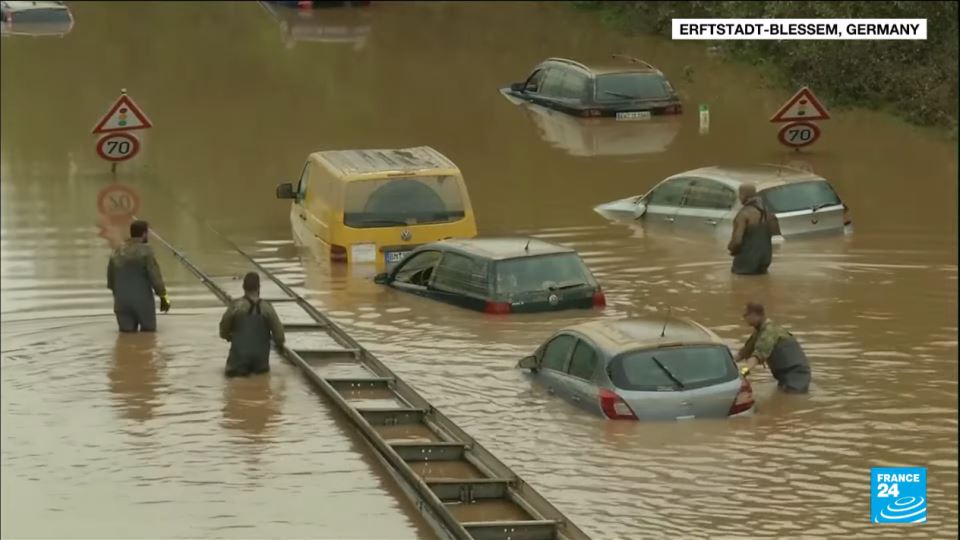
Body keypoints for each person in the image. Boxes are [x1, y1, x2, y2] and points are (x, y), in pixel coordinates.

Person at [107, 220, 170, 332]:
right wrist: (164, 297)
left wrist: (119, 296)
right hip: (142, 301)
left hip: (121, 301)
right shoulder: (146, 250)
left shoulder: (117, 251)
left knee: (126, 337)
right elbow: (155, 278)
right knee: (148, 334)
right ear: (144, 234)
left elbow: (110, 281)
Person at [219, 272, 286, 378]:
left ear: (243, 287)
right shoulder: (268, 308)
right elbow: (279, 336)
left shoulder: (235, 306)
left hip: (238, 361)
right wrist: (279, 345)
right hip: (261, 363)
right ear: (259, 287)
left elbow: (223, 331)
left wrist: (231, 337)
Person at [736, 302, 811, 393]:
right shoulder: (759, 331)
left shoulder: (769, 331)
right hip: (785, 375)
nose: (744, 318)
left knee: (791, 402)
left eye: (745, 315)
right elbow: (745, 351)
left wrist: (742, 373)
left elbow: (757, 356)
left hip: (796, 375)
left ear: (754, 314)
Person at [727, 184, 780, 275]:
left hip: (745, 263)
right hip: (764, 261)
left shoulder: (744, 214)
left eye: (739, 195)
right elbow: (777, 237)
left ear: (743, 195)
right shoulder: (769, 213)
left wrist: (731, 248)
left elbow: (737, 241)